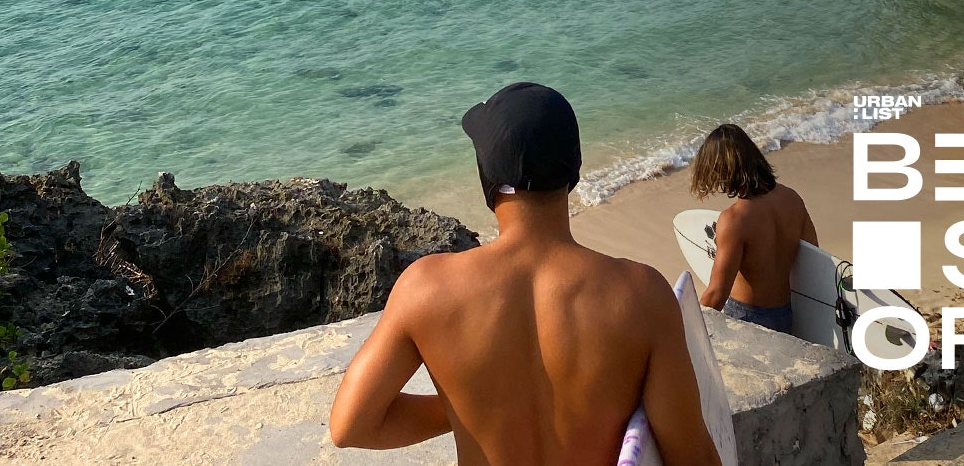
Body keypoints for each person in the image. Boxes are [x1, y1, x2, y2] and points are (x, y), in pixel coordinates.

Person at [330, 83, 720, 466]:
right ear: (573, 171)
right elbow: (692, 456)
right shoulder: (641, 296)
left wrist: (464, 407)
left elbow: (351, 426)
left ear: (487, 175)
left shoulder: (426, 289)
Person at [690, 123, 816, 333]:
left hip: (745, 317)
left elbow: (717, 293)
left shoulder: (734, 220)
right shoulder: (793, 199)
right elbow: (811, 258)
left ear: (724, 171)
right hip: (784, 314)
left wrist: (690, 329)